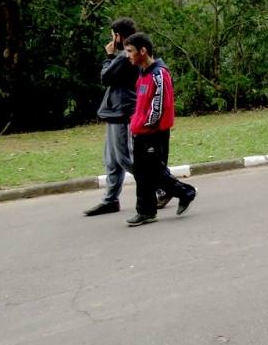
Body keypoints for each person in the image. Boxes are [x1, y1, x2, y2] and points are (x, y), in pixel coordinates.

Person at [123, 33, 197, 227]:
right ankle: (146, 212)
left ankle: (185, 192)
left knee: (154, 172)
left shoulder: (159, 74)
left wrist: (143, 126)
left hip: (154, 133)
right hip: (141, 132)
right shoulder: (143, 73)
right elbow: (142, 104)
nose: (127, 55)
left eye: (130, 51)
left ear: (143, 51)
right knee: (142, 172)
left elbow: (159, 107)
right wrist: (135, 123)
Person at [83, 18, 140, 216]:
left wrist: (108, 56)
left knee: (125, 158)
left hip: (121, 111)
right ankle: (110, 200)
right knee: (112, 160)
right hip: (115, 110)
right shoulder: (125, 55)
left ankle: (163, 187)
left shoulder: (125, 56)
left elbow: (105, 77)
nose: (111, 39)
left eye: (112, 35)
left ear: (118, 36)